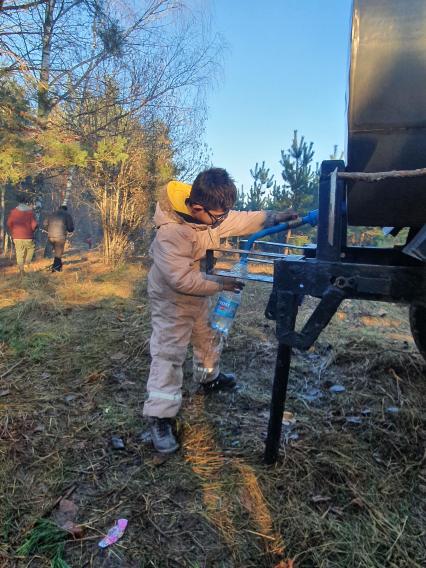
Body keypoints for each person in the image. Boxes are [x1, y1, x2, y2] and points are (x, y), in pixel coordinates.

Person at [144, 168, 298, 453]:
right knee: (169, 351)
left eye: (223, 215)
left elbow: (237, 220)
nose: (222, 221)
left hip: (198, 292)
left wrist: (272, 217)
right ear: (197, 207)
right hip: (172, 299)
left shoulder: (208, 218)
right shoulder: (171, 233)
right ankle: (159, 415)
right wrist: (219, 283)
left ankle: (208, 378)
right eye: (218, 216)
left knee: (207, 337)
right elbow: (180, 280)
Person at [6, 194, 38, 275]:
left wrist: (13, 230)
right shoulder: (30, 212)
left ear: (18, 202)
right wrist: (34, 229)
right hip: (28, 236)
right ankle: (27, 263)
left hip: (16, 237)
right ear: (25, 202)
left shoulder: (13, 212)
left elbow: (9, 223)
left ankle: (21, 269)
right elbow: (34, 225)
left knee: (19, 252)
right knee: (31, 248)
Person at [45, 205, 74, 272]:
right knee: (58, 253)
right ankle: (55, 269)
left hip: (51, 236)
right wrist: (69, 230)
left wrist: (49, 230)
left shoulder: (52, 214)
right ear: (65, 209)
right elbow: (70, 228)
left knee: (56, 252)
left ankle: (58, 266)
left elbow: (45, 224)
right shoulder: (67, 215)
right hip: (60, 237)